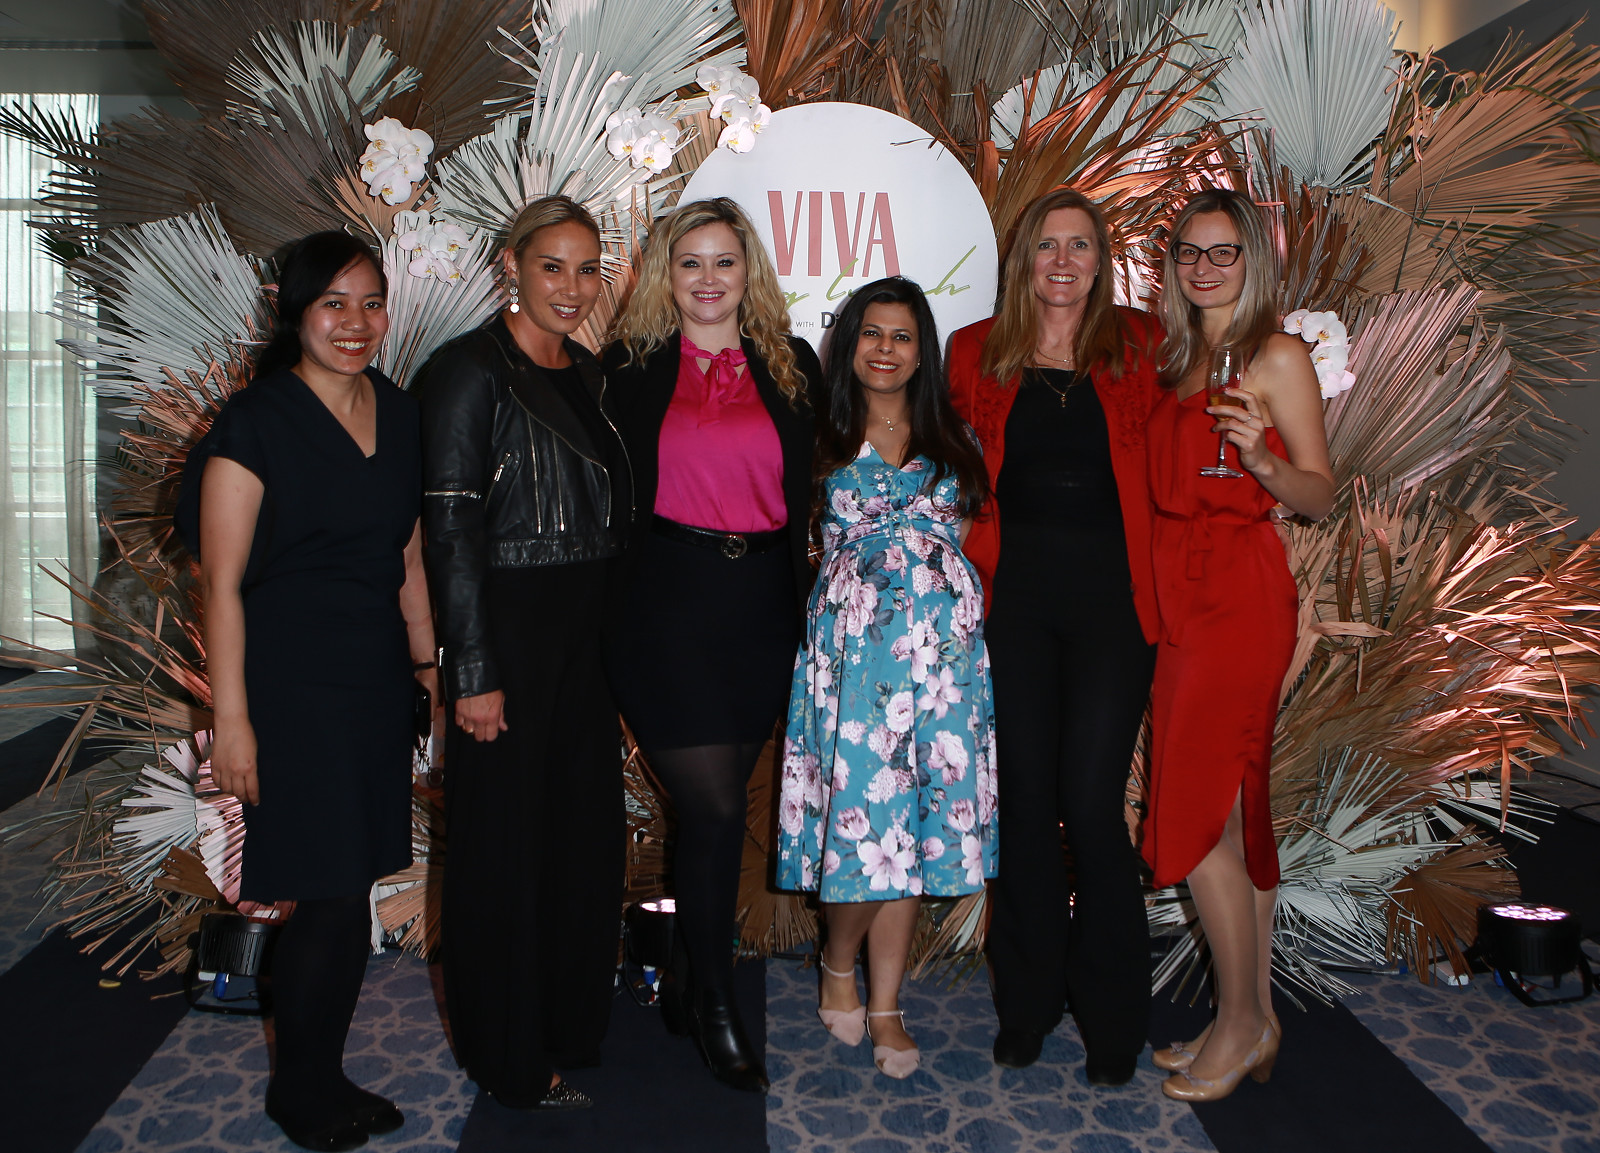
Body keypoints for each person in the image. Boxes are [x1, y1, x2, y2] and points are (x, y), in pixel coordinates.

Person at [181, 230, 430, 1152]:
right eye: (333, 303)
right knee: (325, 891)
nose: (355, 322)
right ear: (294, 314)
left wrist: (429, 667)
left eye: (371, 303)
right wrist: (232, 721)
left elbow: (409, 555)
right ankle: (300, 1088)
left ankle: (321, 1074)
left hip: (374, 680)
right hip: (290, 684)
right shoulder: (255, 422)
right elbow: (222, 586)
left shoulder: (399, 412)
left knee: (350, 884)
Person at [415, 195, 630, 1111]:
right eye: (552, 266)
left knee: (582, 842)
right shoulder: (467, 370)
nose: (572, 287)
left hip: (584, 639)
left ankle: (567, 1026)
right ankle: (508, 1054)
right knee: (503, 852)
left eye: (587, 269)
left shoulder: (589, 372)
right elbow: (449, 530)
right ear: (512, 265)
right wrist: (470, 670)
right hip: (507, 633)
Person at [947, 188, 1165, 1085]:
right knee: (1027, 804)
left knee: (1092, 802)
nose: (1063, 261)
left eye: (1080, 245)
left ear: (1102, 259)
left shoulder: (1143, 343)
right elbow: (942, 461)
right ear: (1023, 259)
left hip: (1115, 605)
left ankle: (1113, 1014)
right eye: (1047, 245)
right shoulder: (974, 351)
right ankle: (1027, 1005)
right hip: (1015, 606)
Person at [602, 197, 819, 1093]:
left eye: (724, 261)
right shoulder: (630, 367)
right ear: (666, 273)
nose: (708, 278)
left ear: (748, 271)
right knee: (719, 807)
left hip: (762, 606)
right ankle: (719, 1003)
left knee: (712, 814)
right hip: (664, 602)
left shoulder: (791, 363)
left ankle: (690, 979)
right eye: (689, 261)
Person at [776, 277, 996, 1080]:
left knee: (913, 831)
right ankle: (839, 959)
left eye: (902, 336)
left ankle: (888, 1005)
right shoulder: (819, 434)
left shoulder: (954, 436)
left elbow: (963, 537)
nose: (885, 349)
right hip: (853, 664)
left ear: (922, 351)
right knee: (864, 824)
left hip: (943, 668)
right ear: (849, 342)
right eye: (871, 332)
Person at [1143, 187, 1333, 1101]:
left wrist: (1261, 461)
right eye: (1191, 251)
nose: (1205, 267)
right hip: (1177, 590)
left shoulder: (1275, 354)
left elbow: (1319, 492)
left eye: (1224, 252)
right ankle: (1250, 1017)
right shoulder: (1176, 356)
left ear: (1254, 259)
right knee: (1232, 811)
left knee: (1198, 813)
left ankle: (1240, 1020)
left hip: (1237, 592)